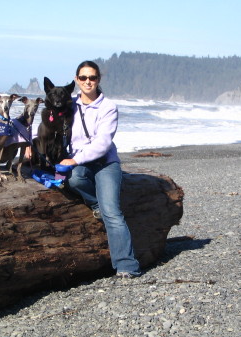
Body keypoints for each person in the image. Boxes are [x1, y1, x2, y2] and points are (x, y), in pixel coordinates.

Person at [59, 60, 141, 278]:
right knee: (74, 180)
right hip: (79, 163)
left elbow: (103, 143)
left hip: (105, 163)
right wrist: (30, 144)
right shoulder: (69, 106)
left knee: (112, 213)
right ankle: (95, 203)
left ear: (98, 80)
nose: (88, 82)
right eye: (83, 78)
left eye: (92, 78)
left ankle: (127, 265)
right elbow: (49, 126)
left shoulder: (108, 107)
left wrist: (75, 161)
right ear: (76, 80)